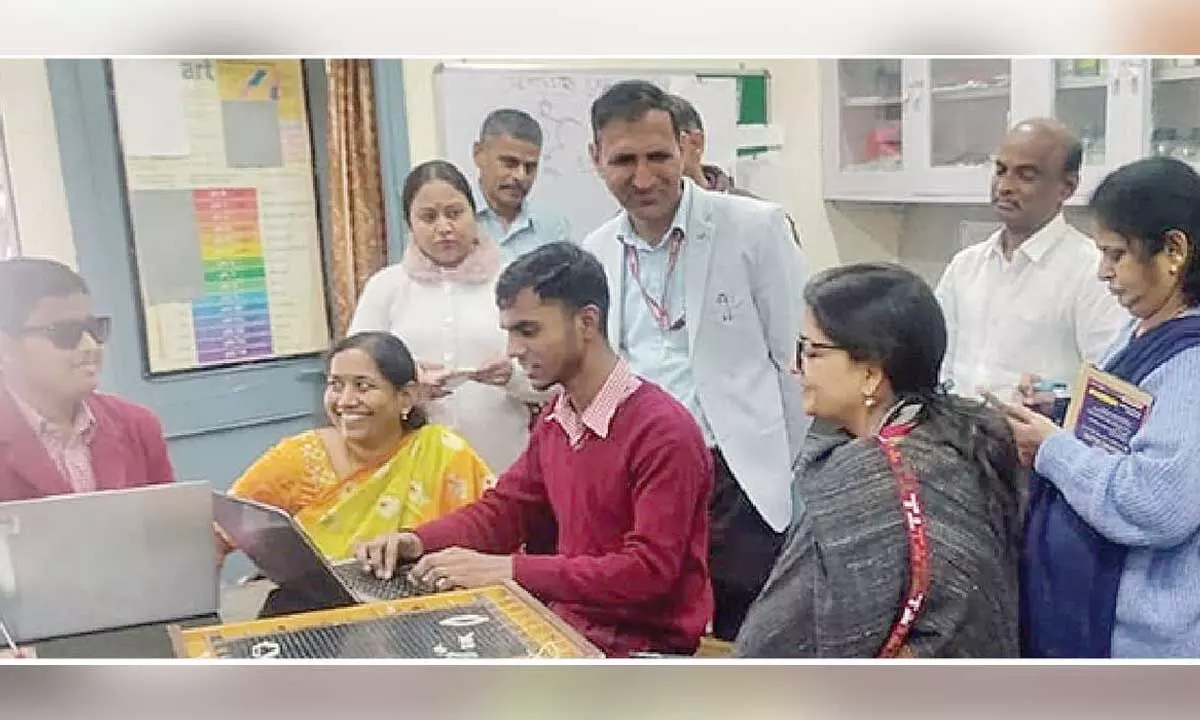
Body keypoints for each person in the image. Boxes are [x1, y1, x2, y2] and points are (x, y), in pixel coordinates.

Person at [355, 243, 714, 658]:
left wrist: (509, 570)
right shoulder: (557, 419)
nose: (512, 349)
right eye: (509, 332)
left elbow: (647, 572)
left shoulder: (663, 431)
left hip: (642, 654)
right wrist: (415, 541)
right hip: (567, 632)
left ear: (587, 322)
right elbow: (505, 511)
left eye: (528, 331)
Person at [581, 80, 807, 641]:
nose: (643, 178)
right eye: (623, 161)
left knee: (748, 638)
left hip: (739, 476)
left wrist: (802, 480)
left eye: (658, 156)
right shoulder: (597, 250)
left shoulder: (755, 228)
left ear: (685, 147)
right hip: (646, 479)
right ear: (596, 160)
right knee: (659, 634)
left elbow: (795, 362)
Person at [735, 263, 1023, 658]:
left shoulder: (865, 483)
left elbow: (769, 648)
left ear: (871, 374)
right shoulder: (955, 442)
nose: (794, 367)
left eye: (812, 352)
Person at [1002, 156, 1200, 658]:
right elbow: (1121, 421)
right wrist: (1058, 409)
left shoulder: (1192, 363)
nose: (1103, 273)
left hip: (1141, 645)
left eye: (1117, 255)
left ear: (1174, 250)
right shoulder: (1140, 328)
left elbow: (1155, 503)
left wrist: (1051, 449)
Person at [222, 331, 493, 565]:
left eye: (363, 386)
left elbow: (493, 530)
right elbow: (219, 529)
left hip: (430, 601)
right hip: (322, 603)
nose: (345, 401)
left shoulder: (444, 453)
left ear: (406, 397)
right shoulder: (300, 457)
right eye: (336, 385)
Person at [349, 160, 543, 473]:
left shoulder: (514, 282)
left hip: (503, 465)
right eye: (428, 217)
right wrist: (408, 387)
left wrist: (512, 376)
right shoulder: (386, 288)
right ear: (410, 224)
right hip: (412, 472)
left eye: (454, 213)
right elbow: (354, 380)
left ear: (474, 214)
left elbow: (554, 378)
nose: (444, 227)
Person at [935, 118, 1128, 402]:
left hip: (1039, 430)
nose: (1004, 186)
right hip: (956, 426)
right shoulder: (965, 266)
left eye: (1025, 176)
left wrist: (1056, 403)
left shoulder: (1094, 272)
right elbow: (938, 364)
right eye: (1000, 171)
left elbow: (1109, 391)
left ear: (1067, 187)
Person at [0, 258, 173, 501]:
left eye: (94, 329)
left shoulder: (138, 427)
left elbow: (170, 522)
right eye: (65, 333)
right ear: (6, 347)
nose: (90, 346)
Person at [669, 93, 802, 246]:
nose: (648, 169)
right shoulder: (648, 221)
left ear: (695, 142)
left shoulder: (760, 221)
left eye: (659, 152)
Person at [472, 108, 573, 267]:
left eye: (530, 167)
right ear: (479, 154)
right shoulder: (452, 221)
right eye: (510, 163)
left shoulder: (553, 227)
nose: (521, 176)